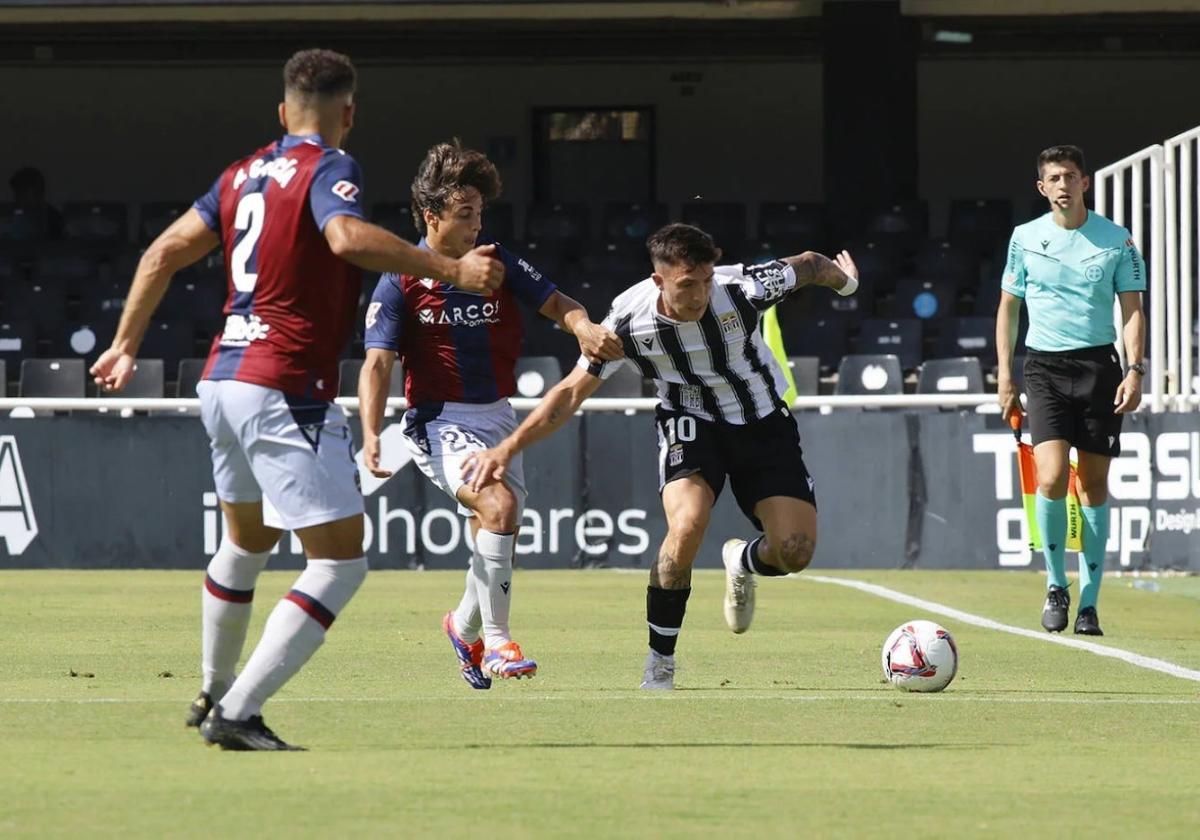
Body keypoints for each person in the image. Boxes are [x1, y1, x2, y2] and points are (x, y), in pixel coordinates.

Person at [89, 49, 504, 750]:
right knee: (341, 562)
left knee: (247, 541)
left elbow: (159, 254)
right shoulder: (331, 167)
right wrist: (449, 269)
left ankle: (212, 690)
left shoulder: (239, 174)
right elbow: (343, 237)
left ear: (282, 113)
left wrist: (125, 343)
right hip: (285, 384)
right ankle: (238, 712)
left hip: (221, 379)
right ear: (349, 114)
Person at [461, 223, 858, 690]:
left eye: (705, 281)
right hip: (690, 423)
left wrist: (847, 281)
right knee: (686, 524)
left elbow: (809, 264)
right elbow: (569, 393)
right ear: (659, 282)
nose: (699, 295)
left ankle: (743, 562)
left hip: (762, 421)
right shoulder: (627, 324)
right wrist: (508, 447)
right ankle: (660, 663)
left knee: (796, 553)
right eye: (687, 285)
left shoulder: (743, 288)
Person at [359, 140, 622, 689]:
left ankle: (464, 625)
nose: (477, 225)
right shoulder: (399, 280)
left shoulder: (499, 263)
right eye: (464, 215)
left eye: (480, 212)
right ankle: (499, 644)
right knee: (498, 507)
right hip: (439, 422)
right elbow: (377, 365)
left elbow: (559, 303)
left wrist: (584, 327)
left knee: (494, 530)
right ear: (432, 217)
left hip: (499, 416)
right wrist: (370, 434)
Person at [996, 144, 1146, 637]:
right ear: (1042, 188)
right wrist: (1005, 374)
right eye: (1054, 178)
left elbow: (1131, 310)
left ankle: (1091, 603)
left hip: (1099, 367)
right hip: (1043, 368)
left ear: (1085, 182)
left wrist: (1135, 369)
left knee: (1094, 485)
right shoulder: (1024, 238)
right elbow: (1008, 310)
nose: (1063, 185)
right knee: (1053, 476)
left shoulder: (1117, 240)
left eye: (1071, 176)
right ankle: (1056, 585)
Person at [8, 166, 65, 240]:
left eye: (20, 193)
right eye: (16, 193)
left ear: (37, 193)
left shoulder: (53, 219)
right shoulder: (20, 213)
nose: (16, 198)